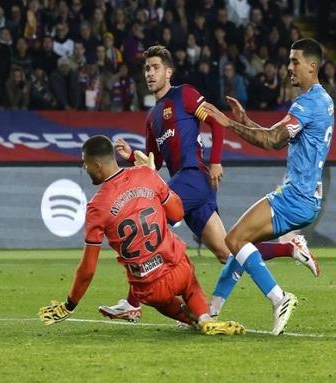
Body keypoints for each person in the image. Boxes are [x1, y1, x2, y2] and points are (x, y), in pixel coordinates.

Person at [99, 44, 318, 324]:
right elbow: (154, 163)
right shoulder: (152, 118)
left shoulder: (185, 95)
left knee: (145, 223)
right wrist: (131, 156)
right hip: (185, 185)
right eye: (146, 69)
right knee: (228, 251)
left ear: (168, 72)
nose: (149, 73)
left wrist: (215, 161)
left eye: (155, 68)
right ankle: (290, 250)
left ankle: (132, 303)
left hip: (193, 177)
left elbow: (215, 121)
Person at [38, 135, 245, 336]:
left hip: (149, 287)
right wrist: (156, 177)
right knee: (190, 284)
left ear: (97, 166)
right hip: (178, 267)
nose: (85, 168)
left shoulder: (96, 207)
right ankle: (205, 318)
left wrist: (70, 305)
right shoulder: (146, 174)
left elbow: (88, 269)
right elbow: (177, 213)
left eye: (86, 164)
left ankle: (193, 320)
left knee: (160, 300)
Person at [202, 38, 333, 335]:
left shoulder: (307, 103)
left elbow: (272, 141)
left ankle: (279, 297)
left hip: (294, 196)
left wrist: (227, 123)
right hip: (305, 198)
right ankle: (211, 311)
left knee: (233, 240)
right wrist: (246, 120)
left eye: (295, 62)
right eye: (289, 61)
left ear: (312, 67)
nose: (289, 67)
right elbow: (276, 136)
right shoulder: (323, 100)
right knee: (241, 246)